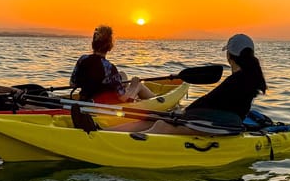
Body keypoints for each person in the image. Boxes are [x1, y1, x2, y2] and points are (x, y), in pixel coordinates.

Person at [108, 34, 266, 135]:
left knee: (162, 125)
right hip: (219, 122)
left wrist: (185, 112)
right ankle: (105, 132)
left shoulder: (238, 79)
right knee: (154, 119)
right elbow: (214, 102)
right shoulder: (249, 77)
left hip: (218, 125)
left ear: (229, 55)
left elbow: (209, 102)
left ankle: (105, 138)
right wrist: (182, 112)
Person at [69, 25, 156, 104]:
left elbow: (72, 84)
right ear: (110, 46)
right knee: (138, 84)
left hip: (86, 99)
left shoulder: (82, 59)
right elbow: (123, 98)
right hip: (105, 105)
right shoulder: (109, 68)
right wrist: (133, 85)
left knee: (122, 75)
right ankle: (158, 101)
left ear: (93, 44)